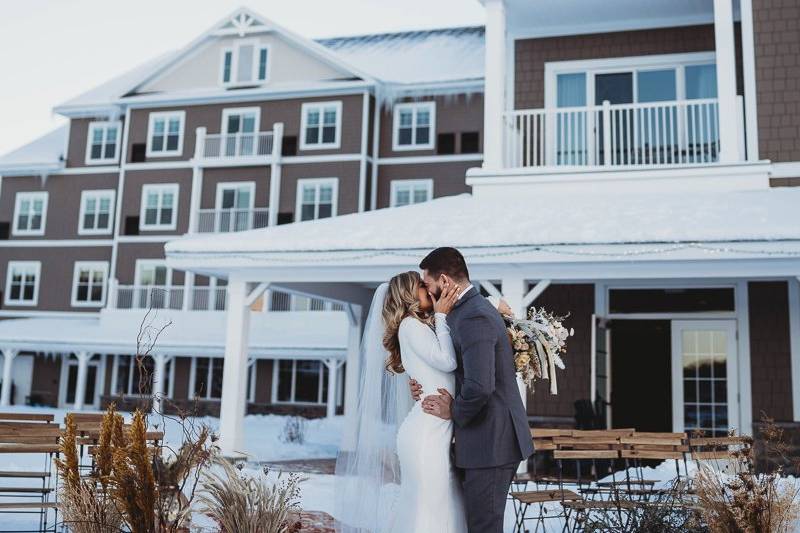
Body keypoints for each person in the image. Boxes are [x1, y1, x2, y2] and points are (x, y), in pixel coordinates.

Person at [413, 247, 534, 533]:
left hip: (491, 440)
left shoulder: (473, 316)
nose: (427, 292)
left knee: (484, 527)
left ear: (443, 281)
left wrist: (453, 411)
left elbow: (480, 386)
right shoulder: (468, 311)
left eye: (428, 285)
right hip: (485, 440)